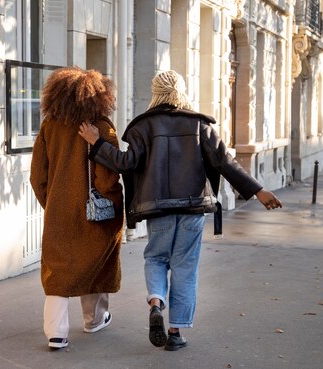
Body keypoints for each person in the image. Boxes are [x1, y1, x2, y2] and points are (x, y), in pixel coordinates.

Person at [78, 70, 282, 351]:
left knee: (156, 258)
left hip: (157, 209)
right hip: (192, 208)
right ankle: (175, 332)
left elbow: (125, 163)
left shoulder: (143, 126)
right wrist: (258, 190)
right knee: (185, 267)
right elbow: (225, 162)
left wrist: (96, 143)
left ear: (155, 92)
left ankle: (156, 303)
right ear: (182, 92)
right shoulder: (199, 125)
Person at [30, 67, 125, 350]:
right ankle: (93, 320)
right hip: (96, 215)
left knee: (58, 271)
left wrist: (54, 203)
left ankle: (56, 333)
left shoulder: (50, 126)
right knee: (95, 265)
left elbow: (38, 176)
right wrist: (111, 199)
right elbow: (107, 177)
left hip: (59, 212)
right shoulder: (102, 127)